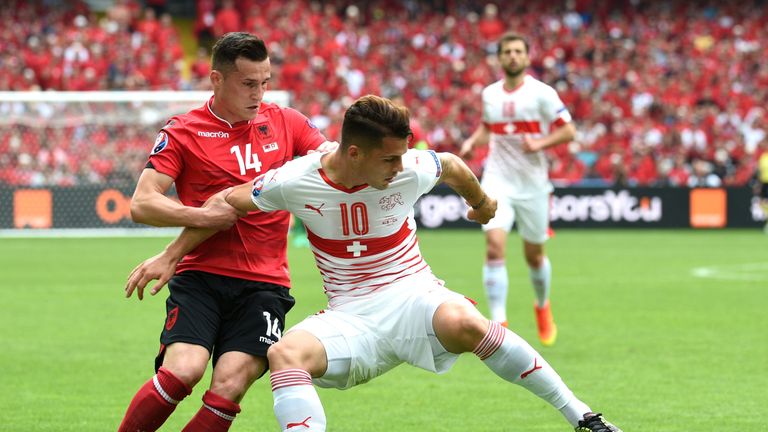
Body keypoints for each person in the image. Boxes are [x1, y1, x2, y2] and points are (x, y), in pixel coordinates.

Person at [128, 95, 621, 431]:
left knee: (467, 321)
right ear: (355, 152)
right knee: (283, 355)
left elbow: (449, 164)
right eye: (388, 159)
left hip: (414, 296)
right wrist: (172, 255)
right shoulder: (295, 180)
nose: (399, 166)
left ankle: (583, 417)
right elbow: (229, 204)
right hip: (350, 316)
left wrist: (483, 203)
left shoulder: (409, 167)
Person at [118, 32, 333, 432]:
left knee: (230, 383)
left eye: (265, 82)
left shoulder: (287, 122)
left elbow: (332, 162)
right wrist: (204, 217)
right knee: (183, 370)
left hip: (265, 285)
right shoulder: (184, 130)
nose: (259, 93)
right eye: (248, 83)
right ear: (217, 80)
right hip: (201, 276)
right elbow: (142, 203)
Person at [459, 33, 577, 346]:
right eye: (507, 52)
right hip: (498, 179)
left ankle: (542, 306)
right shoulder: (490, 94)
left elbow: (569, 130)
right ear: (499, 58)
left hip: (533, 183)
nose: (513, 56)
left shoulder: (543, 93)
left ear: (526, 57)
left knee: (534, 255)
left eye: (518, 51)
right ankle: (499, 324)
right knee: (494, 247)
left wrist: (540, 142)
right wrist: (473, 142)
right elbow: (488, 127)